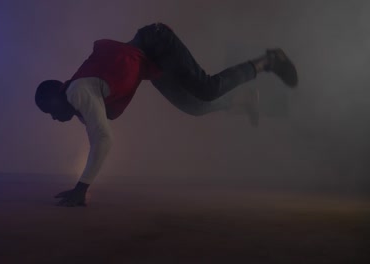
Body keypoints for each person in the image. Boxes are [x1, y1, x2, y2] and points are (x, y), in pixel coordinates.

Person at [34, 23, 298, 207]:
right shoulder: (79, 96)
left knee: (207, 88)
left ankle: (268, 60)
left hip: (156, 43)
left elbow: (103, 139)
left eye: (50, 110)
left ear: (58, 94)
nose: (53, 118)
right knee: (195, 106)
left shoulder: (77, 92)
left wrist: (81, 189)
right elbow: (99, 128)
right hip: (150, 62)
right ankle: (243, 100)